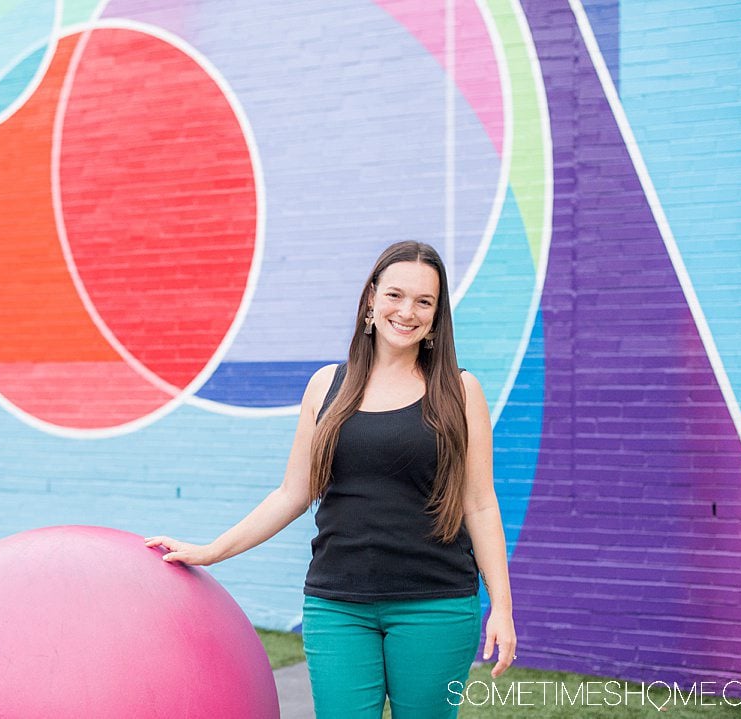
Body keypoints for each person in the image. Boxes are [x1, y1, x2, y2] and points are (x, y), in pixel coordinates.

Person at [145, 241, 516, 718]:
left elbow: (480, 504)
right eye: (395, 295)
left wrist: (501, 608)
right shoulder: (326, 386)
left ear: (437, 315)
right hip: (338, 605)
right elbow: (292, 494)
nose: (407, 312)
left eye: (424, 302)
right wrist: (213, 551)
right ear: (371, 299)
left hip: (435, 605)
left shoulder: (460, 391)